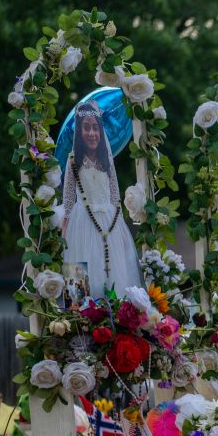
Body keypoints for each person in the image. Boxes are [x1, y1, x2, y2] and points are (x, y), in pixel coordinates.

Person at [61, 101, 142, 298]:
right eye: (86, 128)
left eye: (95, 128)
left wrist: (121, 228)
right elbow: (69, 200)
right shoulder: (73, 161)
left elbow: (114, 195)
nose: (91, 133)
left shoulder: (107, 161)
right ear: (79, 132)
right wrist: (65, 232)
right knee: (83, 270)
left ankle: (113, 312)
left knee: (112, 271)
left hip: (109, 222)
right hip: (81, 224)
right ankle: (84, 315)